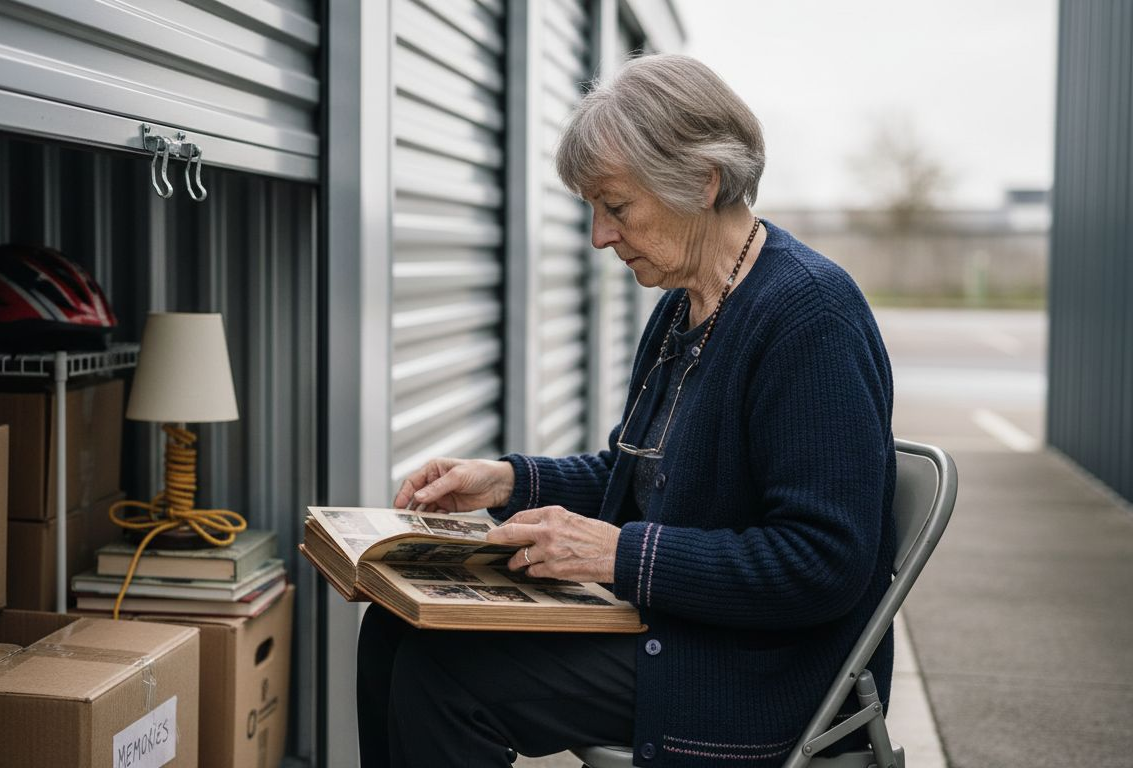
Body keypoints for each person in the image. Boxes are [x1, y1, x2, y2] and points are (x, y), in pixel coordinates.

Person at [358, 53, 897, 768]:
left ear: (702, 182)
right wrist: (510, 482)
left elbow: (824, 563)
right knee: (393, 630)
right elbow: (643, 476)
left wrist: (618, 553)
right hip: (679, 627)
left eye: (616, 207)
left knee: (445, 675)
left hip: (761, 670)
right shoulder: (686, 305)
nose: (599, 237)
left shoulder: (810, 317)